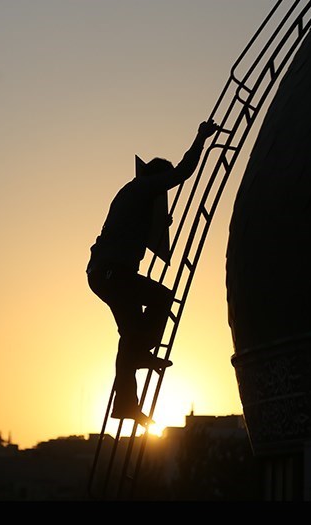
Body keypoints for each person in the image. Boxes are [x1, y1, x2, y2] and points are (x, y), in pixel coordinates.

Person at [87, 119, 220, 425]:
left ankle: (126, 403)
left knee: (129, 335)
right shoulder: (144, 187)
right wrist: (200, 137)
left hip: (104, 273)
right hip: (113, 273)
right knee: (162, 297)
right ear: (157, 179)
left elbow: (138, 237)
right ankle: (143, 351)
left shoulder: (131, 196)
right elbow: (184, 172)